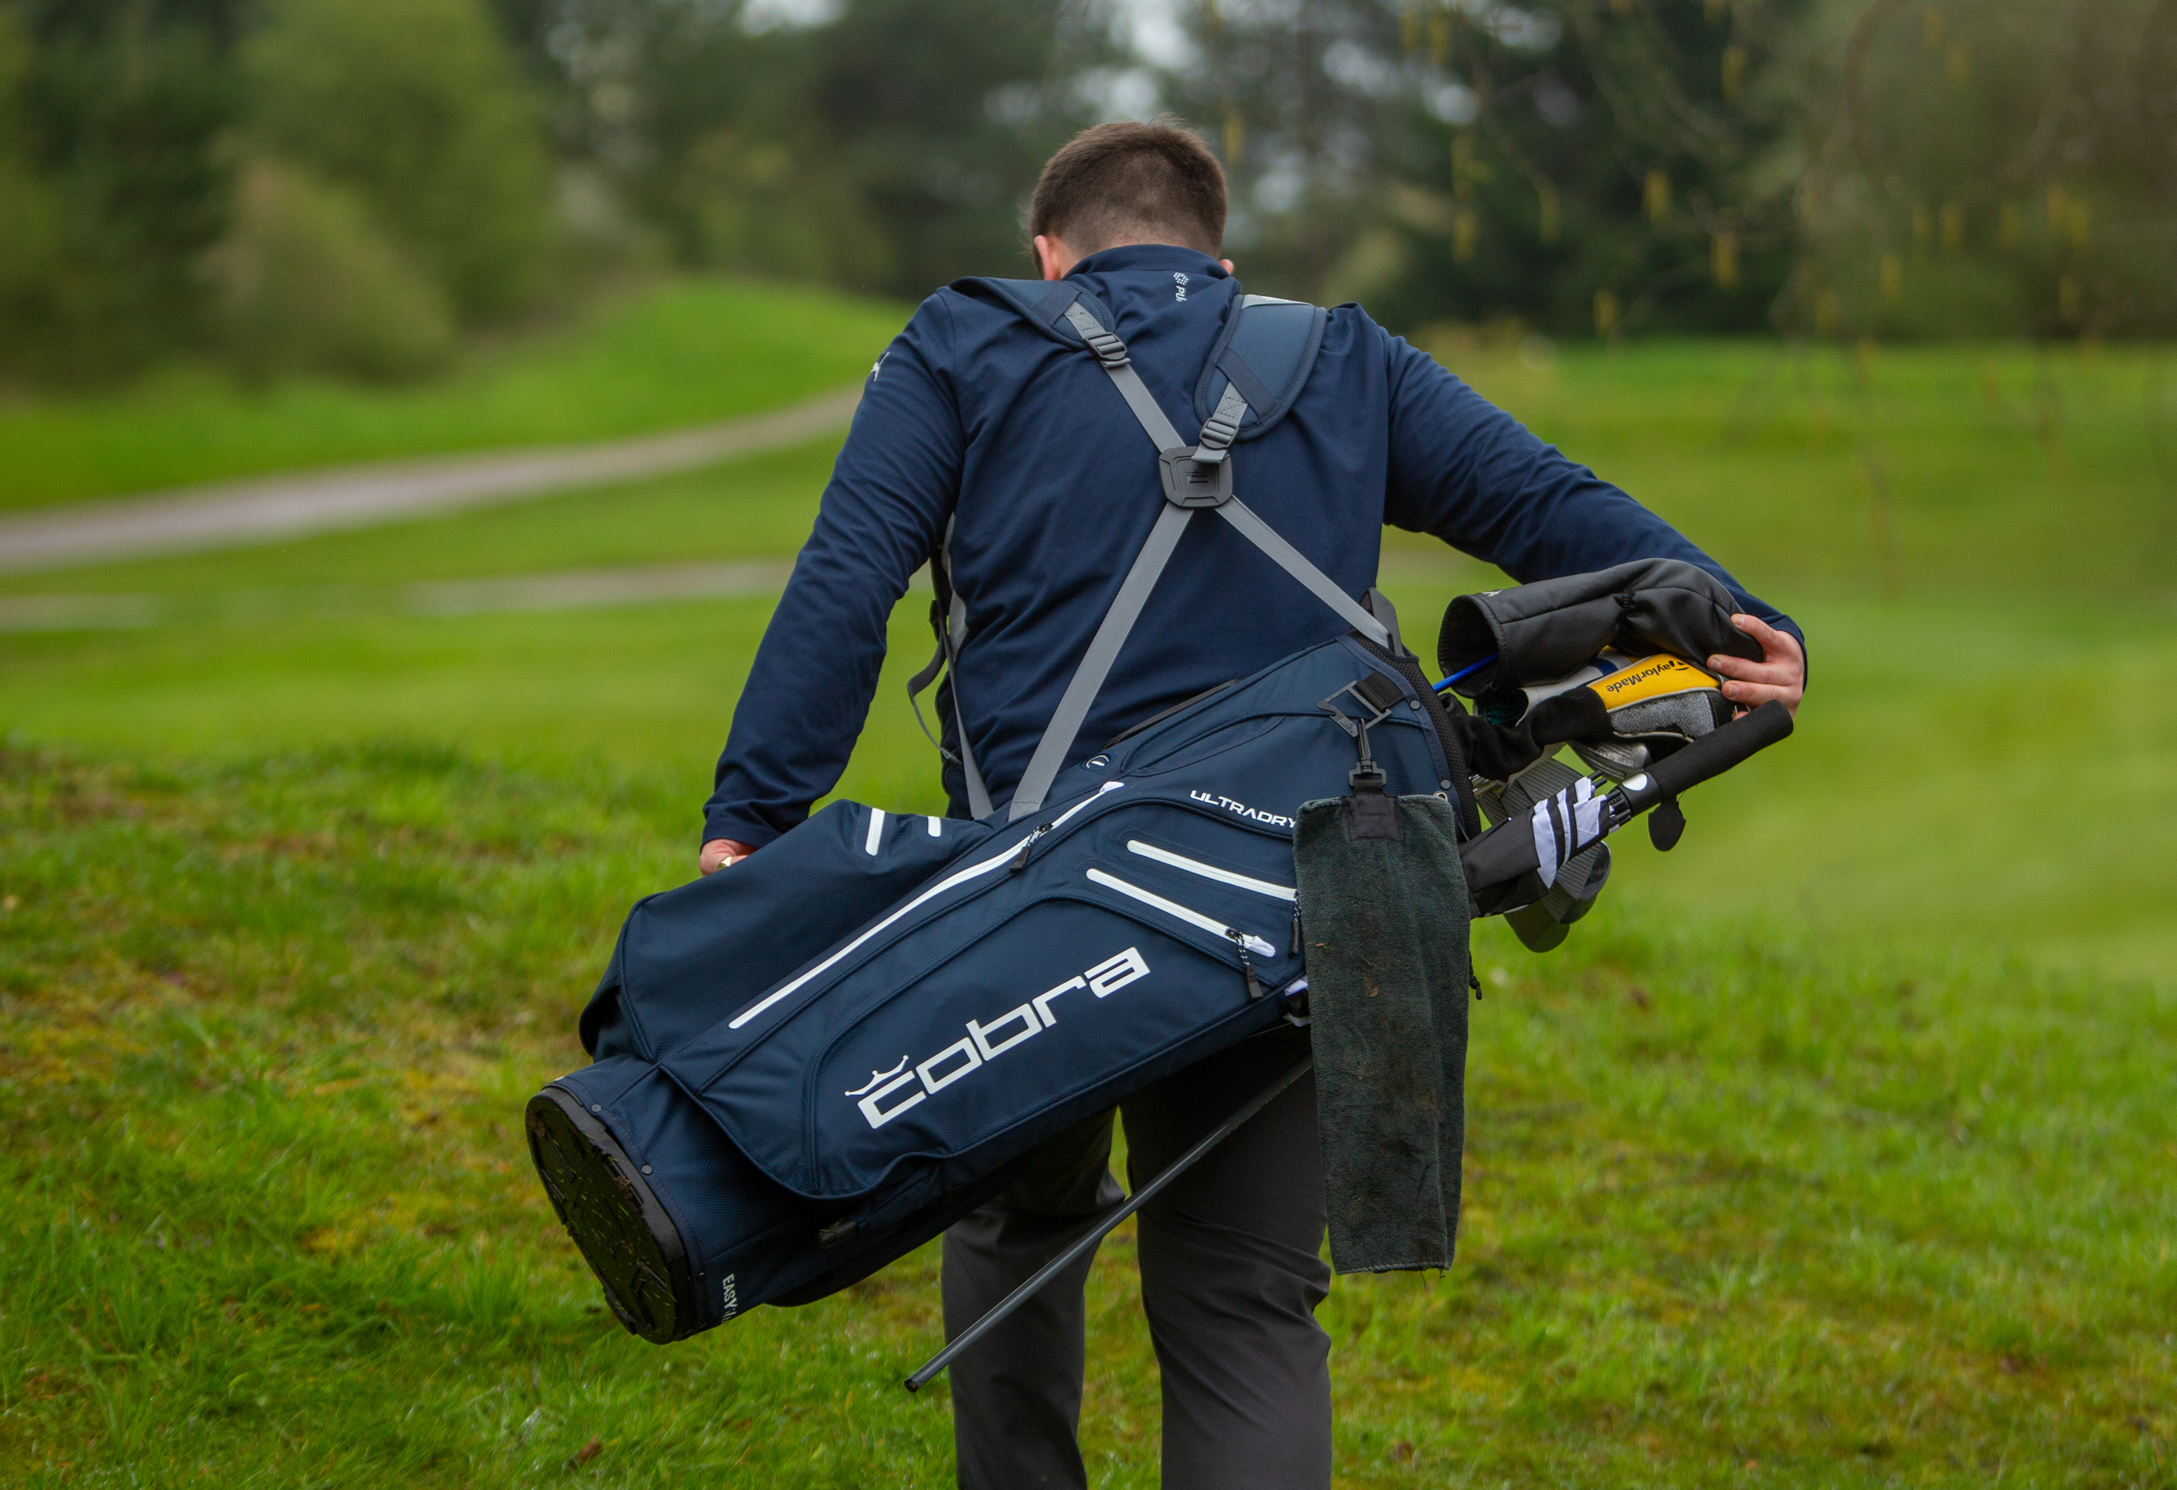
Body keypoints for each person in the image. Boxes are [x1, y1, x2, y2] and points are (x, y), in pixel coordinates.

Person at [694, 120, 1804, 1490]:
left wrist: (751, 817)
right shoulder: (1341, 358)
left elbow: (845, 581)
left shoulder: (965, 341)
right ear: (1220, 264)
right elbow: (1557, 510)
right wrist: (1750, 626)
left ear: (1049, 256)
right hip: (1295, 900)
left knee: (1016, 1228)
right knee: (1241, 1302)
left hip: (1025, 901)